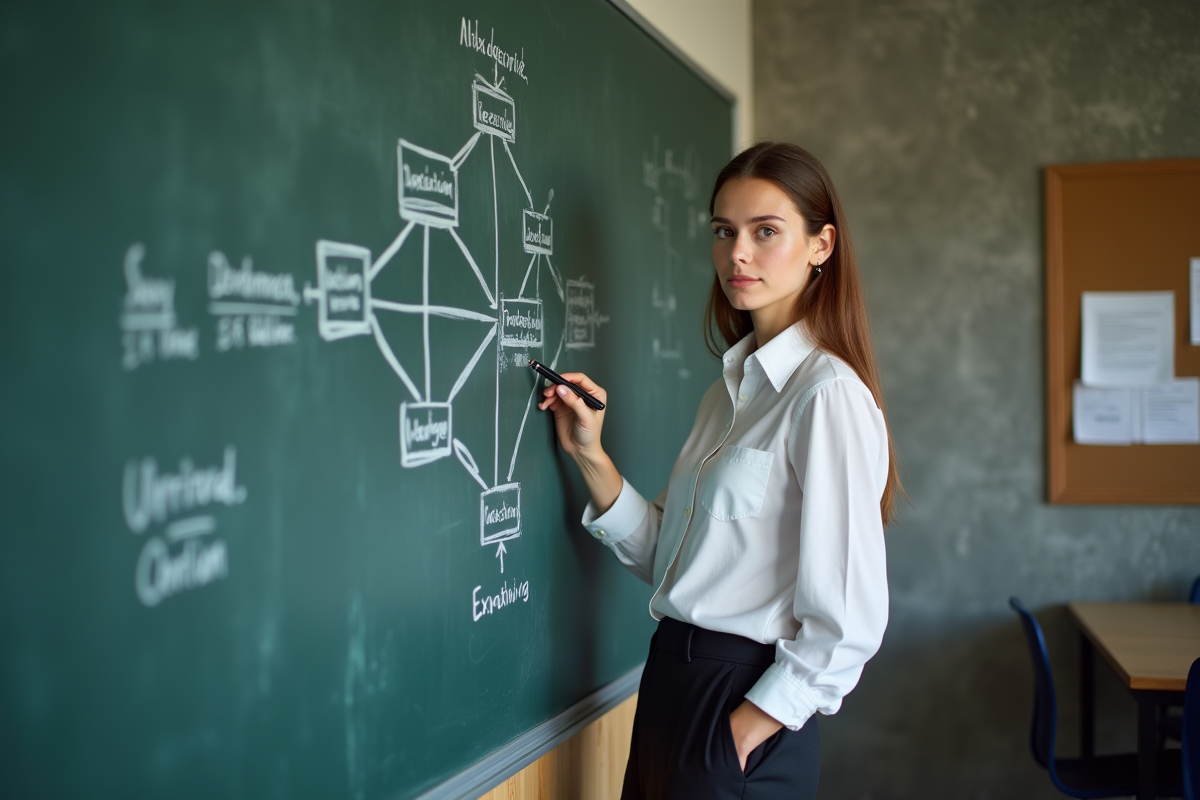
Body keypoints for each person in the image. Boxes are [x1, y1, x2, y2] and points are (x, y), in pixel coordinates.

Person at [537, 142, 902, 799]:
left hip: (741, 704)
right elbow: (676, 561)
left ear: (822, 245)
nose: (738, 253)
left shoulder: (827, 394)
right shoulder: (727, 394)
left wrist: (737, 735)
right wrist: (589, 453)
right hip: (669, 689)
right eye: (724, 231)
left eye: (766, 232)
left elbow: (848, 621)